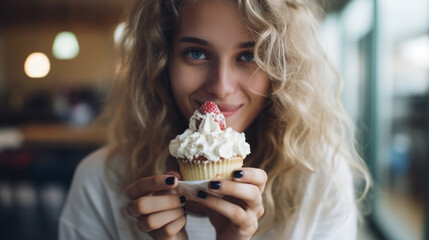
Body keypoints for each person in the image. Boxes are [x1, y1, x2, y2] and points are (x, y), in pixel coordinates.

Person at [59, 0, 371, 239]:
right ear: (161, 60)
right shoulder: (99, 182)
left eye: (249, 56)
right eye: (196, 53)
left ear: (282, 68)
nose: (220, 87)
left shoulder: (320, 180)